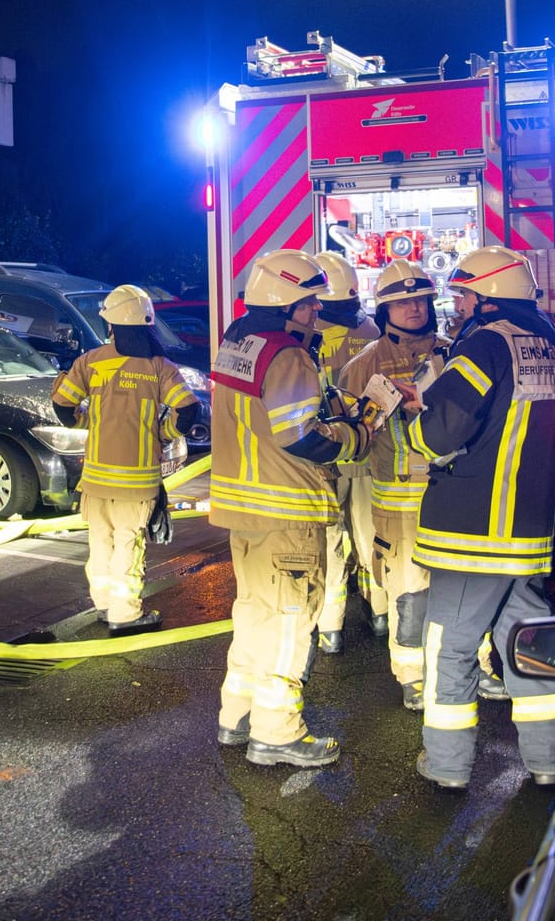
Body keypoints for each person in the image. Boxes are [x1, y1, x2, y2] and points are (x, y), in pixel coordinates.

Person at [402, 245, 555, 791]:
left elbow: (442, 433)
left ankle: (447, 766)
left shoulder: (484, 344)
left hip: (473, 532)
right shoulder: (551, 345)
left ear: (489, 297)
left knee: (449, 647)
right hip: (526, 532)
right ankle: (547, 760)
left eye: (466, 294)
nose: (460, 305)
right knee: (528, 643)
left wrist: (412, 418)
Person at [209, 248, 380, 769]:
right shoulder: (288, 356)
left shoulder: (237, 343)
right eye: (307, 305)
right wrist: (356, 435)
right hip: (288, 510)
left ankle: (236, 717)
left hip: (245, 510)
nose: (316, 314)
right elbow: (300, 437)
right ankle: (278, 732)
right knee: (288, 622)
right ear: (284, 303)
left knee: (254, 615)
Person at [50, 285, 201, 634]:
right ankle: (126, 614)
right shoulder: (158, 367)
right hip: (137, 481)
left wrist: (90, 420)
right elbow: (188, 409)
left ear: (111, 326)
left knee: (100, 540)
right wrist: (165, 432)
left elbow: (63, 407)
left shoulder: (91, 362)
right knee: (127, 545)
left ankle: (104, 604)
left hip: (97, 479)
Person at [337, 259, 445, 709]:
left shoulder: (453, 352)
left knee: (460, 589)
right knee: (410, 593)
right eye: (403, 303)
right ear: (384, 310)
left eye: (420, 300)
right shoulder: (363, 367)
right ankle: (413, 676)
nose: (415, 309)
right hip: (397, 502)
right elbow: (349, 440)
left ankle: (473, 666)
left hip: (451, 494)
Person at [309, 250, 382, 655]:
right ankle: (381, 614)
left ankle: (331, 628)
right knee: (371, 535)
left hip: (324, 453)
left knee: (330, 537)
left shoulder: (309, 336)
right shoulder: (373, 331)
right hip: (370, 453)